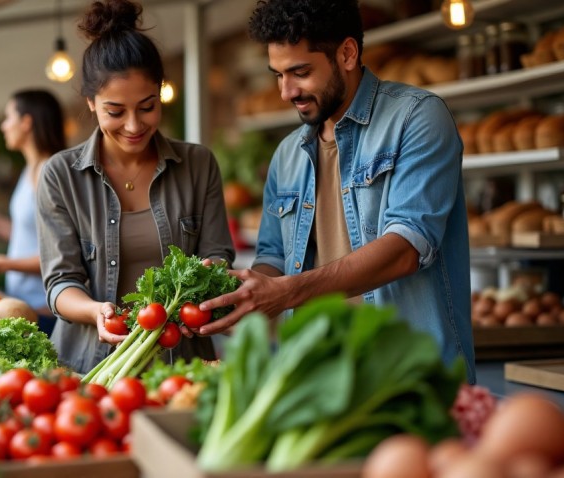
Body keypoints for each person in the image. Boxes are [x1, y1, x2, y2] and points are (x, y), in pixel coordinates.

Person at [197, 0, 475, 381]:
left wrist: (287, 292)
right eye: (277, 75)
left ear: (347, 53)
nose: (285, 91)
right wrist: (240, 291)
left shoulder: (417, 118)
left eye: (300, 72)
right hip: (321, 380)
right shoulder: (286, 155)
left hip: (410, 378)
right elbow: (274, 259)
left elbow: (406, 248)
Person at [36, 0, 234, 374]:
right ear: (91, 103)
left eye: (147, 106)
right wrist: (95, 311)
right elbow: (61, 282)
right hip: (90, 366)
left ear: (161, 92)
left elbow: (218, 253)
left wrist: (209, 276)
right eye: (115, 111)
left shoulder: (197, 164)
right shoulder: (60, 174)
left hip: (183, 366)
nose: (133, 125)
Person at [0, 89, 67, 335]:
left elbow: (61, 254)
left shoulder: (48, 172)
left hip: (43, 308)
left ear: (26, 122)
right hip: (25, 303)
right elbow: (37, 238)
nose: (3, 126)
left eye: (8, 117)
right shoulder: (31, 169)